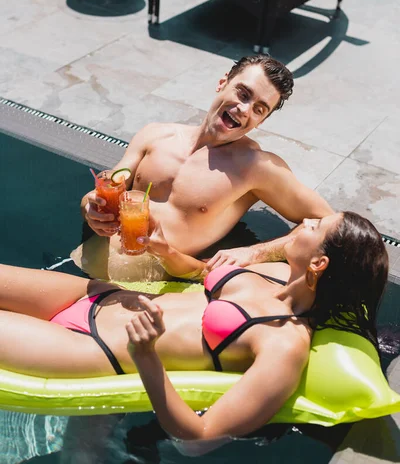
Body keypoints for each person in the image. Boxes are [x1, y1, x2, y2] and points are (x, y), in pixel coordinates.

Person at [0, 212, 388, 440]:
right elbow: (207, 274)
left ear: (319, 264)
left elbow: (198, 432)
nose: (304, 221)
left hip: (89, 346)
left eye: (315, 227)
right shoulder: (276, 271)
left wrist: (147, 355)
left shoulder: (285, 347)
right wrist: (165, 249)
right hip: (100, 295)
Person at [78, 55, 333, 281]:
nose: (244, 110)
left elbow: (330, 222)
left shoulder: (256, 167)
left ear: (262, 120)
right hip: (87, 262)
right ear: (223, 83)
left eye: (258, 109)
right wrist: (89, 206)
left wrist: (254, 253)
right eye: (243, 94)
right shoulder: (154, 135)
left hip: (157, 287)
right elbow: (107, 186)